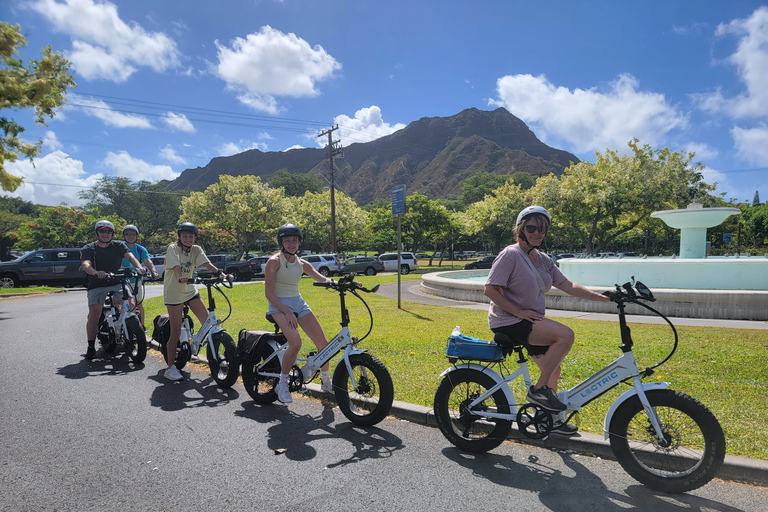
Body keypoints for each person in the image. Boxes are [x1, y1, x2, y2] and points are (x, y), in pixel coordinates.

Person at [483, 205, 609, 435]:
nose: (538, 233)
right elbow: (490, 289)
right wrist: (518, 312)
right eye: (531, 227)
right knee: (565, 335)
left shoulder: (544, 260)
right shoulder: (510, 255)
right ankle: (539, 390)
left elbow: (568, 285)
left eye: (543, 229)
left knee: (554, 370)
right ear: (520, 229)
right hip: (509, 321)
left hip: (530, 321)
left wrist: (604, 297)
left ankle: (548, 420)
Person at [264, 223, 334, 403]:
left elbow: (322, 278)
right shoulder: (273, 262)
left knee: (324, 344)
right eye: (287, 240)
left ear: (299, 242)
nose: (291, 243)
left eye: (294, 240)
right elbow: (269, 293)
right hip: (279, 305)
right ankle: (282, 383)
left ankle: (326, 383)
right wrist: (287, 311)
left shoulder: (303, 264)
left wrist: (341, 283)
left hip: (298, 303)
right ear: (281, 242)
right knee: (295, 342)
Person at [162, 222, 231, 381]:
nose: (188, 239)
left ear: (195, 238)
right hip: (174, 293)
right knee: (175, 332)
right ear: (179, 237)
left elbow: (207, 264)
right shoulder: (173, 248)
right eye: (184, 236)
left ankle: (215, 354)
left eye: (191, 236)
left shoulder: (196, 249)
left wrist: (221, 274)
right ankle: (170, 367)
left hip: (189, 291)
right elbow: (176, 266)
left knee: (209, 324)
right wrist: (179, 277)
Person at [81, 220, 146, 360]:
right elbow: (86, 264)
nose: (105, 234)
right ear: (97, 232)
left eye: (108, 231)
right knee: (94, 314)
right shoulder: (89, 248)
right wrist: (95, 272)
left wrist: (139, 267)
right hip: (97, 283)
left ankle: (128, 329)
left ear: (112, 233)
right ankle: (91, 346)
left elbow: (131, 256)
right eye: (102, 231)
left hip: (117, 282)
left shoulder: (118, 245)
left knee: (131, 304)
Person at [120, 224, 158, 330]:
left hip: (136, 280)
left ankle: (141, 326)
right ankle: (121, 324)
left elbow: (148, 261)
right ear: (124, 236)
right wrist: (122, 269)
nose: (130, 236)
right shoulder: (119, 247)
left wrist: (153, 271)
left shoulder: (141, 249)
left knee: (139, 303)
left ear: (137, 236)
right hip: (122, 280)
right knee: (122, 303)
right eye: (128, 234)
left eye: (133, 234)